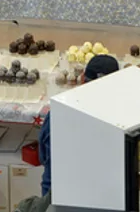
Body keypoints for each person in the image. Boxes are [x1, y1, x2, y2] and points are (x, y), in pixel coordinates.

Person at [38, 54, 119, 198]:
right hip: (103, 197)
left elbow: (43, 155)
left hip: (58, 193)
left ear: (82, 79)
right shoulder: (120, 116)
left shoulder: (59, 112)